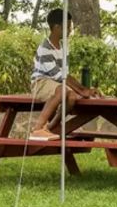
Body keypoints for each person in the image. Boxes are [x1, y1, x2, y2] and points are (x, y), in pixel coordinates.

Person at [29, 9, 99, 140]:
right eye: (67, 27)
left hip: (56, 84)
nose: (70, 31)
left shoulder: (63, 47)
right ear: (57, 27)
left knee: (72, 97)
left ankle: (51, 127)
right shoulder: (45, 48)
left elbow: (66, 74)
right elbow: (59, 76)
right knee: (62, 91)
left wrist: (84, 90)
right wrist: (83, 91)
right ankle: (37, 129)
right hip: (40, 82)